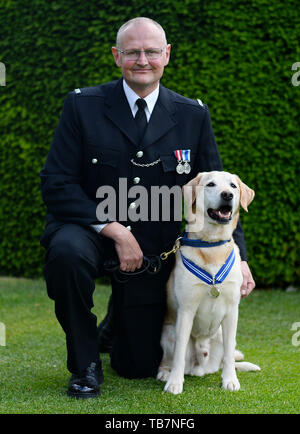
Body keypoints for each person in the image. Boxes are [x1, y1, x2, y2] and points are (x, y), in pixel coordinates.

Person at [40, 17, 255, 399]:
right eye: (133, 52)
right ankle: (85, 364)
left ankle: (113, 327)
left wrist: (238, 255)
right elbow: (56, 184)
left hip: (154, 250)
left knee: (138, 365)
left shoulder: (192, 114)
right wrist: (115, 229)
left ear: (166, 55)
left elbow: (219, 195)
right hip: (91, 231)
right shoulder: (82, 106)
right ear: (116, 56)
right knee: (66, 255)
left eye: (152, 51)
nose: (143, 60)